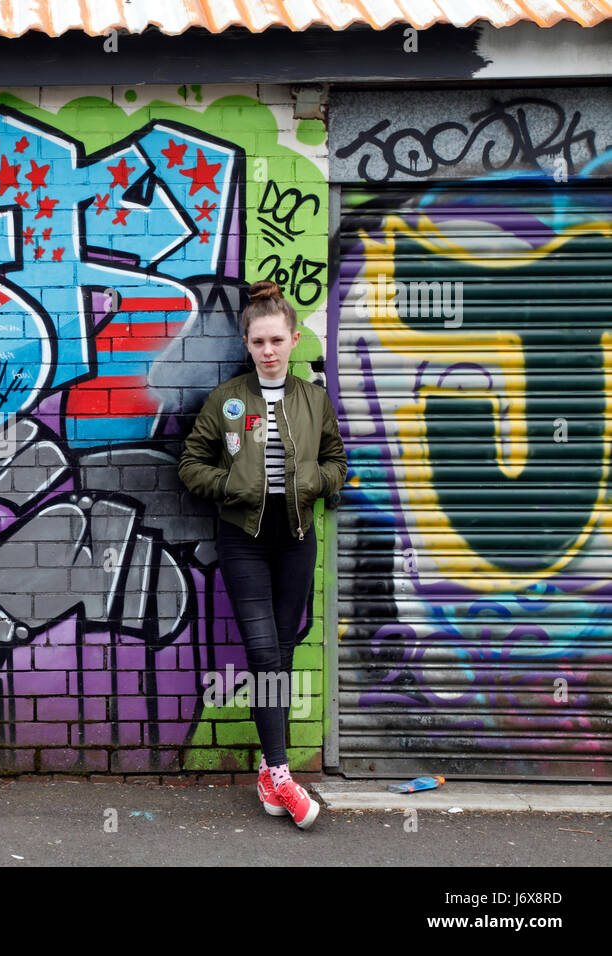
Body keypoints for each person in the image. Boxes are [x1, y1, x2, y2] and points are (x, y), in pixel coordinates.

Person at [177, 280, 348, 830]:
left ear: (294, 339)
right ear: (247, 344)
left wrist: (314, 482)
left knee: (283, 645)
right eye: (258, 342)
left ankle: (269, 768)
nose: (268, 350)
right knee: (261, 650)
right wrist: (233, 487)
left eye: (277, 340)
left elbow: (337, 462)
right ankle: (278, 769)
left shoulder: (313, 399)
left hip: (296, 536)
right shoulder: (227, 400)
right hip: (242, 537)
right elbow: (189, 465)